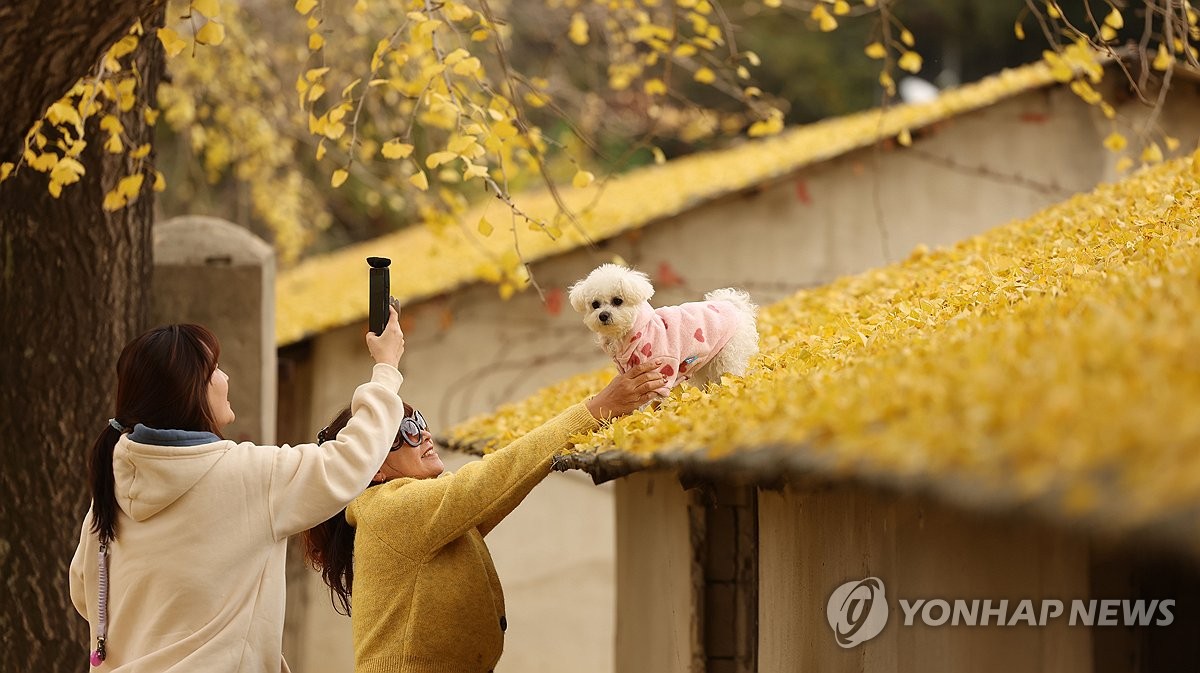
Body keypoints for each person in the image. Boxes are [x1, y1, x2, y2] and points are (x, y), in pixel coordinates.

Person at [69, 308, 407, 672]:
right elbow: (348, 462)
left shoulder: (113, 489)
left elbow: (85, 592)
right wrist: (386, 369)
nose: (225, 377)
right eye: (214, 368)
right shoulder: (248, 477)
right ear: (190, 390)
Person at [303, 360, 667, 673]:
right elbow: (493, 478)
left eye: (418, 421)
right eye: (404, 432)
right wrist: (593, 411)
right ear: (374, 468)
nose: (423, 434)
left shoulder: (418, 509)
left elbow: (504, 486)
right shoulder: (390, 509)